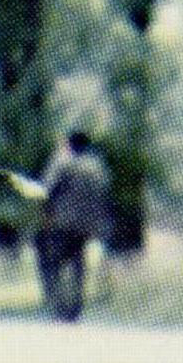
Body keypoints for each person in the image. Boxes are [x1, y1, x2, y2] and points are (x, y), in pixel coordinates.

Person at [34, 131, 115, 321]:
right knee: (77, 260)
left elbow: (47, 189)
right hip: (87, 223)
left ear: (70, 145)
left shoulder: (61, 162)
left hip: (62, 220)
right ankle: (76, 305)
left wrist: (45, 213)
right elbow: (105, 193)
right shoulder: (97, 167)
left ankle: (58, 304)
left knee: (53, 260)